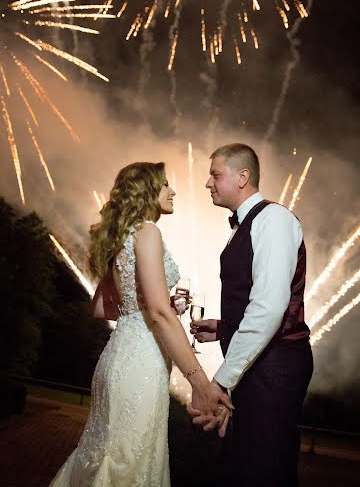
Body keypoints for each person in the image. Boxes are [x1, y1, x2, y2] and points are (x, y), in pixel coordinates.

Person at [49, 161, 230, 487]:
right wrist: (200, 385)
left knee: (106, 455)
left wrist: (150, 303)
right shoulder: (148, 231)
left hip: (116, 357)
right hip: (140, 365)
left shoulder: (118, 238)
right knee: (130, 465)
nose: (173, 191)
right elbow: (159, 315)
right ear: (146, 190)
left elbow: (103, 308)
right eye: (165, 185)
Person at [190, 143, 313, 487]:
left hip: (274, 368)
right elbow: (257, 301)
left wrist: (219, 381)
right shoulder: (245, 226)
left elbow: (269, 308)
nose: (207, 183)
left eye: (215, 174)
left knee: (265, 470)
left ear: (242, 177)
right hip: (258, 366)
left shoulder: (274, 220)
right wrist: (224, 327)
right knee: (242, 468)